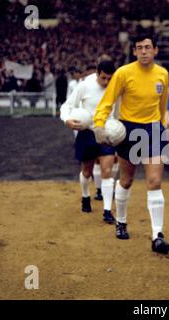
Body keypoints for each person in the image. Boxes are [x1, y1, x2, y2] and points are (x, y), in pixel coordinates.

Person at [93, 33, 169, 255]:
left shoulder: (162, 74)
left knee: (155, 181)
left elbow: (162, 105)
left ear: (155, 50)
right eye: (140, 48)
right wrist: (99, 125)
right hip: (129, 130)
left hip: (154, 130)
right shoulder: (123, 73)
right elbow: (106, 102)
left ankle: (157, 235)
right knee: (126, 180)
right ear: (134, 51)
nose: (144, 51)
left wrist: (163, 126)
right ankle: (122, 221)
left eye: (148, 47)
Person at [60, 60, 117, 224]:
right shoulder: (84, 85)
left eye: (109, 79)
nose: (106, 82)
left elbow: (119, 109)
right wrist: (67, 121)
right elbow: (66, 106)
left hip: (106, 132)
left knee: (107, 171)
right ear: (97, 73)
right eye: (103, 78)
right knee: (86, 171)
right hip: (87, 132)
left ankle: (107, 210)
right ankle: (85, 197)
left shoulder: (116, 85)